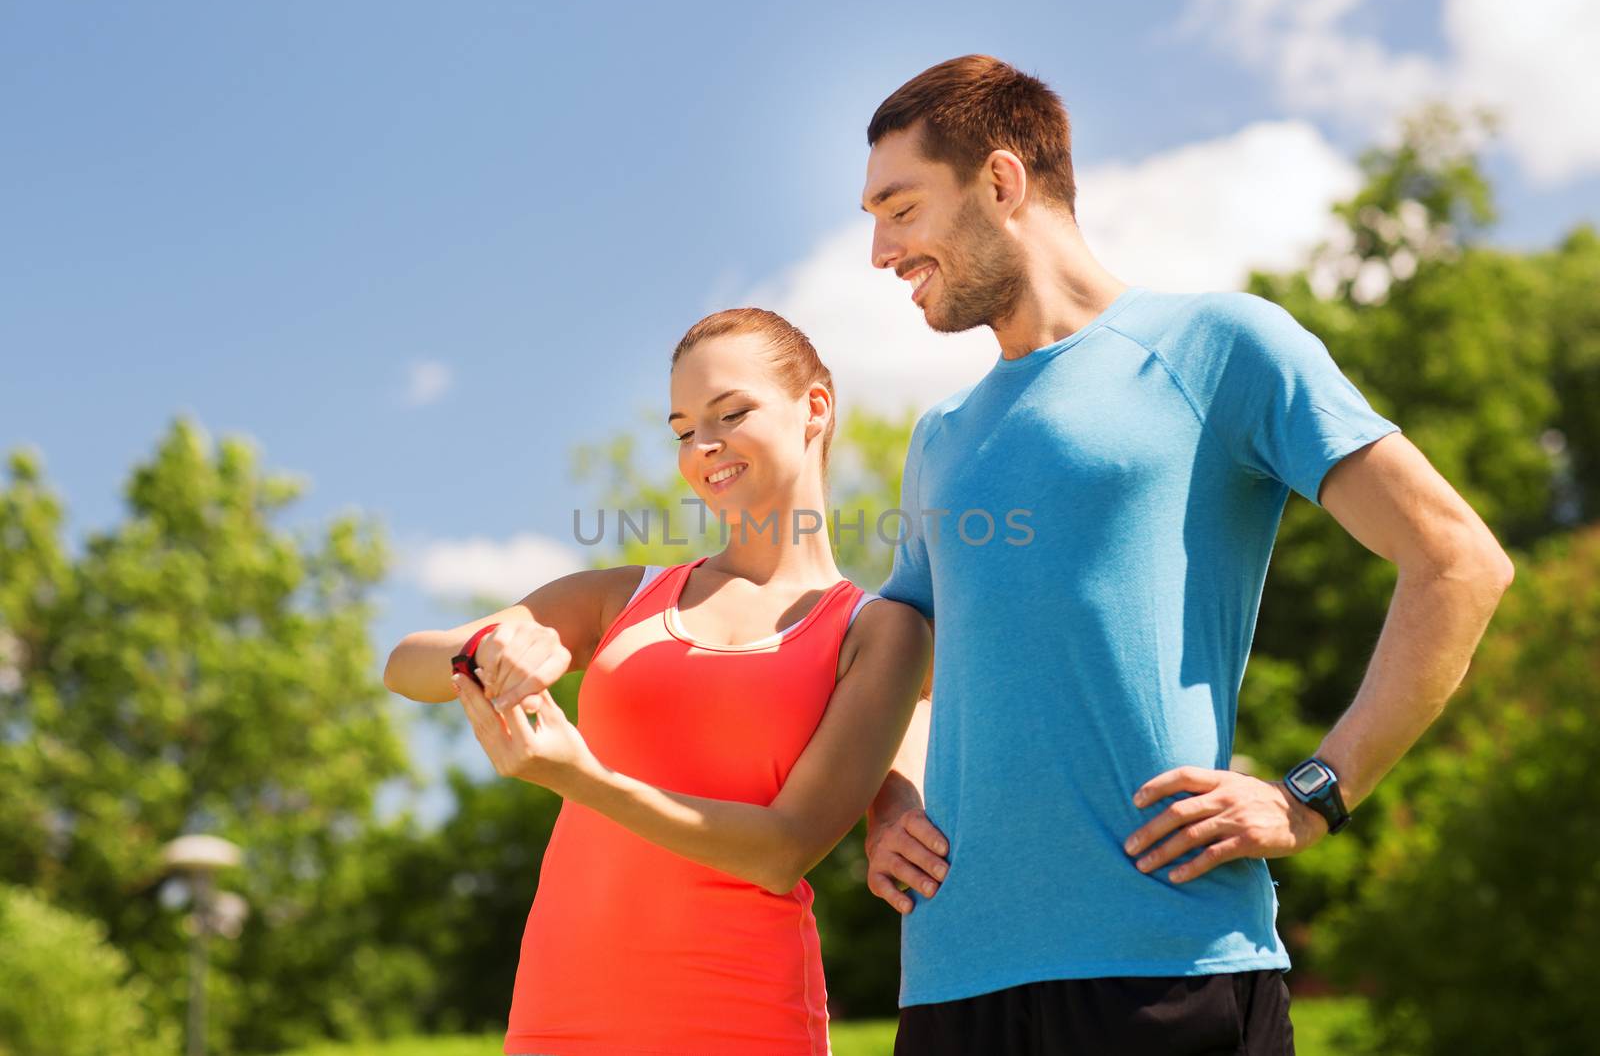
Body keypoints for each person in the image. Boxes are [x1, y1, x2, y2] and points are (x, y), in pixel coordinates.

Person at [856, 55, 1515, 1055]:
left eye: (899, 208)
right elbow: (905, 659)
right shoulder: (941, 433)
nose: (877, 250)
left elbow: (1458, 560)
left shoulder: (1220, 344)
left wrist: (1317, 789)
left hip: (1167, 965)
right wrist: (888, 794)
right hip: (952, 980)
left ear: (1000, 182)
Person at [383, 308, 932, 1056]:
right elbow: (408, 663)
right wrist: (496, 643)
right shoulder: (625, 596)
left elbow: (783, 848)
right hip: (558, 1011)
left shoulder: (878, 632)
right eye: (681, 429)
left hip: (741, 1016)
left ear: (814, 408)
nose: (703, 448)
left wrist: (583, 779)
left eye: (730, 413)